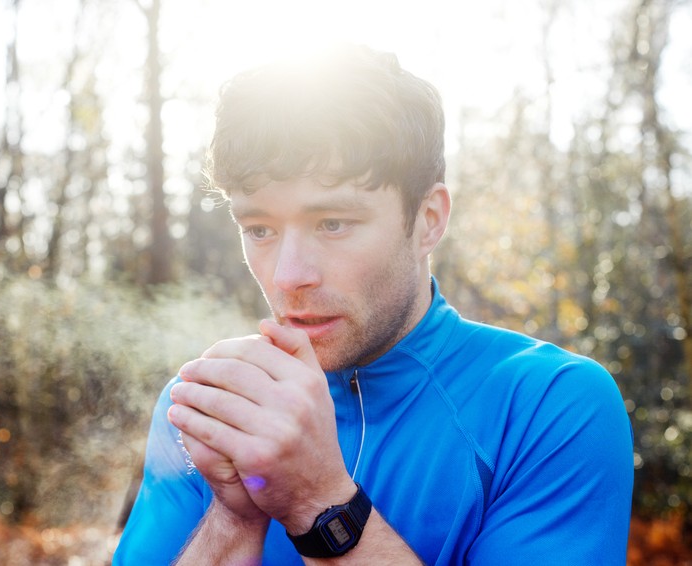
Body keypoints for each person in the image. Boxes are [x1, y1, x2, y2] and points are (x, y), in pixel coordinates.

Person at [113, 44, 633, 565]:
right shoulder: (205, 405)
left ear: (429, 219)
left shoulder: (550, 404)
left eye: (332, 223)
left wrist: (320, 503)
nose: (289, 276)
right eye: (260, 229)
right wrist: (232, 517)